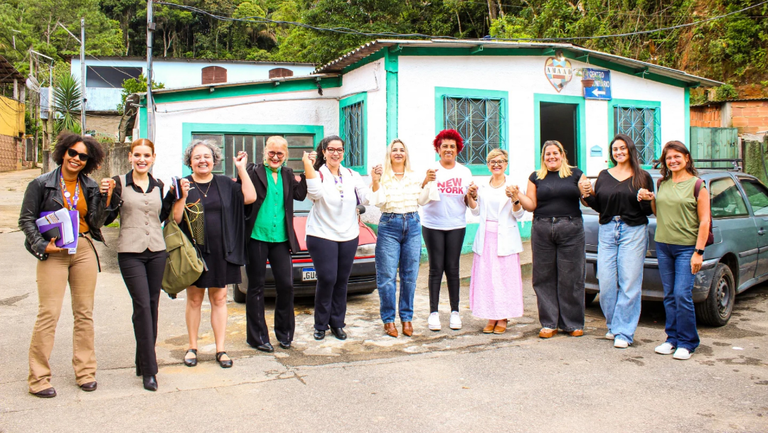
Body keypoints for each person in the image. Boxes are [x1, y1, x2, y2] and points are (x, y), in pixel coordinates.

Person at [19, 132, 112, 398]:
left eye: (83, 156)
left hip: (82, 248)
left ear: (88, 161)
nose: (76, 159)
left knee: (84, 313)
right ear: (63, 153)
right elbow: (25, 220)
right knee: (48, 314)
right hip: (54, 251)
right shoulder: (41, 184)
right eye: (73, 153)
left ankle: (85, 372)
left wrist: (106, 199)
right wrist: (42, 245)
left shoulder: (90, 186)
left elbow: (96, 222)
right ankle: (39, 378)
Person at [173, 139, 256, 368]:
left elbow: (250, 197)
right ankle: (192, 347)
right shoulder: (183, 184)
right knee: (194, 299)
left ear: (214, 160)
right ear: (190, 161)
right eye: (197, 157)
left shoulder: (225, 183)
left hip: (221, 251)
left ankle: (221, 349)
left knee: (219, 299)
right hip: (194, 253)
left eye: (206, 156)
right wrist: (181, 196)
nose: (202, 160)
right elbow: (176, 219)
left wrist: (241, 169)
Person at [102, 138, 175, 391]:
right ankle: (150, 370)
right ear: (130, 157)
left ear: (153, 158)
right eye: (137, 155)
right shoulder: (119, 183)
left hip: (156, 251)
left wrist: (173, 197)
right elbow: (108, 218)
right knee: (142, 305)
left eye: (146, 155)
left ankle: (141, 361)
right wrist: (107, 197)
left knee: (152, 306)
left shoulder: (158, 185)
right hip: (130, 252)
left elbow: (161, 216)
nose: (142, 160)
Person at [638, 141, 710, 361]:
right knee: (669, 295)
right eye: (669, 158)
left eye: (677, 156)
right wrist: (651, 199)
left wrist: (698, 252)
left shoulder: (698, 185)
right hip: (663, 245)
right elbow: (658, 212)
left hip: (687, 248)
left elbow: (705, 221)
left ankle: (688, 342)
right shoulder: (663, 183)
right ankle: (672, 339)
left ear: (686, 158)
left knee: (682, 294)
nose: (673, 161)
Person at [581, 134, 653, 349]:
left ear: (630, 149)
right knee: (606, 281)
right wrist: (585, 195)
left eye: (622, 148)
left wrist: (645, 199)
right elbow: (599, 206)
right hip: (607, 229)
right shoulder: (604, 175)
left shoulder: (642, 176)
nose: (619, 152)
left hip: (633, 230)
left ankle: (624, 331)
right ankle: (613, 325)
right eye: (615, 149)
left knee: (629, 281)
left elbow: (648, 211)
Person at [517, 140, 588, 339]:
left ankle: (572, 323)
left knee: (571, 277)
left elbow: (586, 200)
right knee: (543, 277)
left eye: (555, 153)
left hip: (571, 228)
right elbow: (531, 205)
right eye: (547, 154)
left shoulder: (576, 174)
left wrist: (588, 190)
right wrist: (517, 195)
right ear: (543, 157)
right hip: (542, 228)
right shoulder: (535, 177)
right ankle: (549, 323)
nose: (551, 157)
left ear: (562, 154)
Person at [302, 135, 370, 341]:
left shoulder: (351, 175)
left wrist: (376, 181)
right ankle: (320, 324)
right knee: (327, 278)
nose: (335, 153)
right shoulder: (317, 174)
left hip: (348, 234)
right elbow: (314, 194)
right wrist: (308, 165)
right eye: (331, 149)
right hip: (322, 234)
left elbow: (366, 198)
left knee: (342, 281)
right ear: (324, 152)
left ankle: (338, 323)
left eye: (339, 149)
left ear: (343, 152)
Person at [243, 136, 307, 352]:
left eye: (280, 153)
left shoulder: (287, 174)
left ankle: (285, 333)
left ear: (285, 155)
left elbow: (300, 195)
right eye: (272, 152)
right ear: (265, 152)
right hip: (257, 237)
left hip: (281, 238)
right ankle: (257, 337)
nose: (276, 157)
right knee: (256, 287)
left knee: (286, 286)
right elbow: (242, 193)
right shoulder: (254, 171)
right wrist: (240, 167)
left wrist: (308, 169)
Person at [368, 139, 426, 338]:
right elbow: (377, 202)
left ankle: (407, 318)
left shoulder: (414, 176)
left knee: (410, 275)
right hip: (389, 225)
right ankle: (388, 320)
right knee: (387, 277)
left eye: (402, 150)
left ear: (406, 154)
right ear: (389, 154)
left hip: (413, 223)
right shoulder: (382, 175)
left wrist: (427, 183)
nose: (399, 153)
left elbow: (422, 200)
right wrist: (375, 180)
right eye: (395, 150)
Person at [420, 129, 475, 332]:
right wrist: (425, 180)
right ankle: (433, 313)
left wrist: (472, 194)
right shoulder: (431, 170)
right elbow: (420, 195)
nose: (448, 149)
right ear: (438, 149)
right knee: (435, 269)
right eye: (444, 146)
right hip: (432, 225)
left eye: (452, 146)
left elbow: (468, 201)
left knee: (453, 268)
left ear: (457, 149)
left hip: (456, 225)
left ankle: (455, 312)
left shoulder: (464, 172)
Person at [467, 149, 526, 335]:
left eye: (500, 161)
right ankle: (491, 316)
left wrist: (515, 198)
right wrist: (471, 196)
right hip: (486, 239)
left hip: (506, 238)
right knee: (487, 279)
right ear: (488, 165)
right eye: (492, 161)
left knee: (504, 280)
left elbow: (520, 214)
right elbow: (476, 211)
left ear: (506, 164)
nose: (496, 164)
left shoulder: (513, 185)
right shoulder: (482, 186)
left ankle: (503, 317)